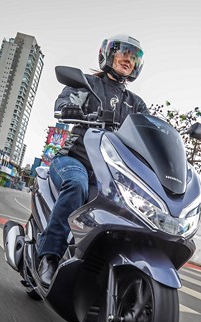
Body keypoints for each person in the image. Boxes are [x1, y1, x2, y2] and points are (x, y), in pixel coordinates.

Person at [36, 34, 148, 286]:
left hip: (109, 174)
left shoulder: (136, 104)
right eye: (124, 53)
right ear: (108, 55)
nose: (128, 60)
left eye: (133, 57)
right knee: (76, 184)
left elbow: (147, 132)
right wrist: (69, 107)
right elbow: (64, 102)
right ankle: (49, 256)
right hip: (74, 160)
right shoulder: (87, 85)